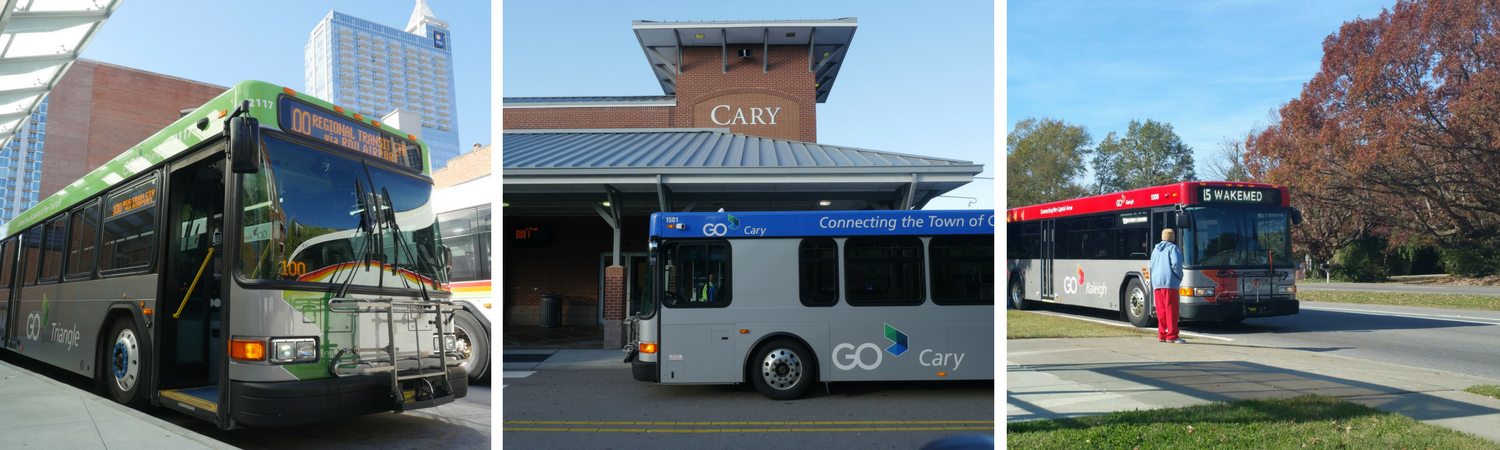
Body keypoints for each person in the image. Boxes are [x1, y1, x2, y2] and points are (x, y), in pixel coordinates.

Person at [1149, 228, 1185, 343]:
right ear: (1173, 238)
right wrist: (1180, 276)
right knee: (1171, 309)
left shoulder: (1155, 249)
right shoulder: (1173, 248)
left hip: (1157, 283)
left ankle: (1162, 334)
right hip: (1170, 283)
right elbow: (1176, 265)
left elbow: (1152, 265)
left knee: (1161, 310)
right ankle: (1172, 335)